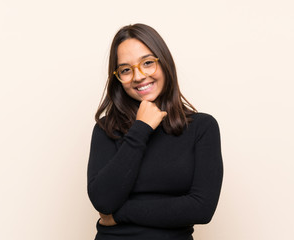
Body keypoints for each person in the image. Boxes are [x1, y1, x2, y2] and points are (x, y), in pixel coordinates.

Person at [87, 23, 223, 240]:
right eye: (125, 70)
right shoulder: (107, 129)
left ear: (164, 63)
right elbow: (103, 201)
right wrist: (141, 129)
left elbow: (201, 208)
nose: (139, 76)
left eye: (148, 63)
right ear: (118, 78)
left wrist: (120, 214)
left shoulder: (201, 127)